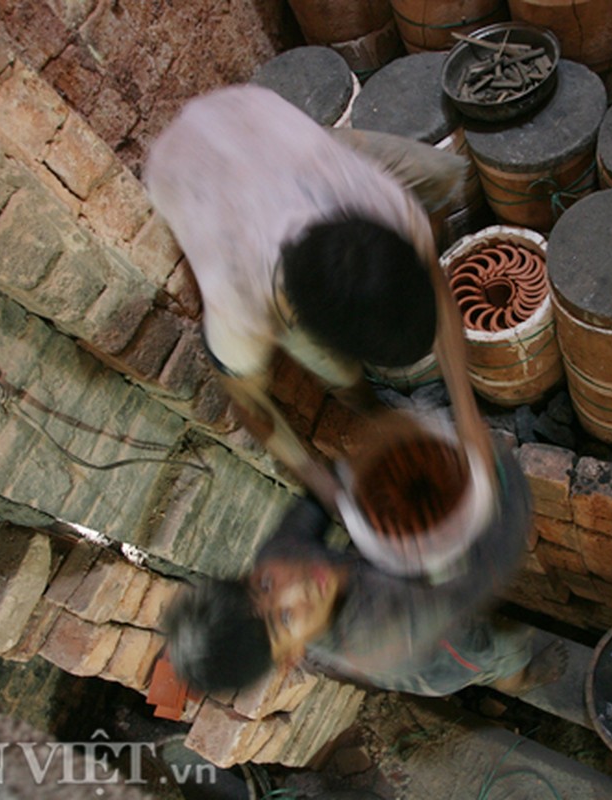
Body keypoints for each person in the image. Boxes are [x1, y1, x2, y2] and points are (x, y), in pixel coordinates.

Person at [144, 85, 496, 516]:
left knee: (441, 172)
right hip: (186, 169)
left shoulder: (382, 204)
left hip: (254, 121)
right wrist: (323, 487)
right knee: (335, 371)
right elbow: (248, 403)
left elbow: (434, 284)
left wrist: (468, 412)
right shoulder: (245, 303)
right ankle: (365, 405)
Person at [162, 446, 565, 698]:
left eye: (264, 585)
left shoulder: (277, 559)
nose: (293, 588)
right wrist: (505, 479)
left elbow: (324, 492)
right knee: (502, 645)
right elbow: (482, 574)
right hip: (446, 651)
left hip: (390, 583)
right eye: (284, 619)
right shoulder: (381, 635)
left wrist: (360, 470)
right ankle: (521, 680)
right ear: (291, 657)